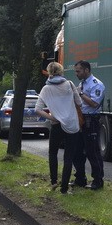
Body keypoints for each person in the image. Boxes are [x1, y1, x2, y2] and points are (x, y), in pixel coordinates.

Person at [35, 63, 85, 194]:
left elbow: (37, 109)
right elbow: (79, 103)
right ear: (61, 71)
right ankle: (64, 188)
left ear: (49, 72)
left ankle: (53, 182)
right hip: (71, 124)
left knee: (53, 153)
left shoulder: (46, 89)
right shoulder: (69, 84)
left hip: (56, 125)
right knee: (68, 157)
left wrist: (53, 118)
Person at [73, 60, 105, 190]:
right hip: (81, 119)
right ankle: (80, 178)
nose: (76, 73)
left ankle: (98, 180)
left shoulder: (96, 84)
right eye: (76, 71)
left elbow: (94, 104)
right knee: (78, 151)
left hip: (91, 120)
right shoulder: (82, 83)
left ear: (86, 70)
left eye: (78, 71)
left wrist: (80, 93)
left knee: (92, 152)